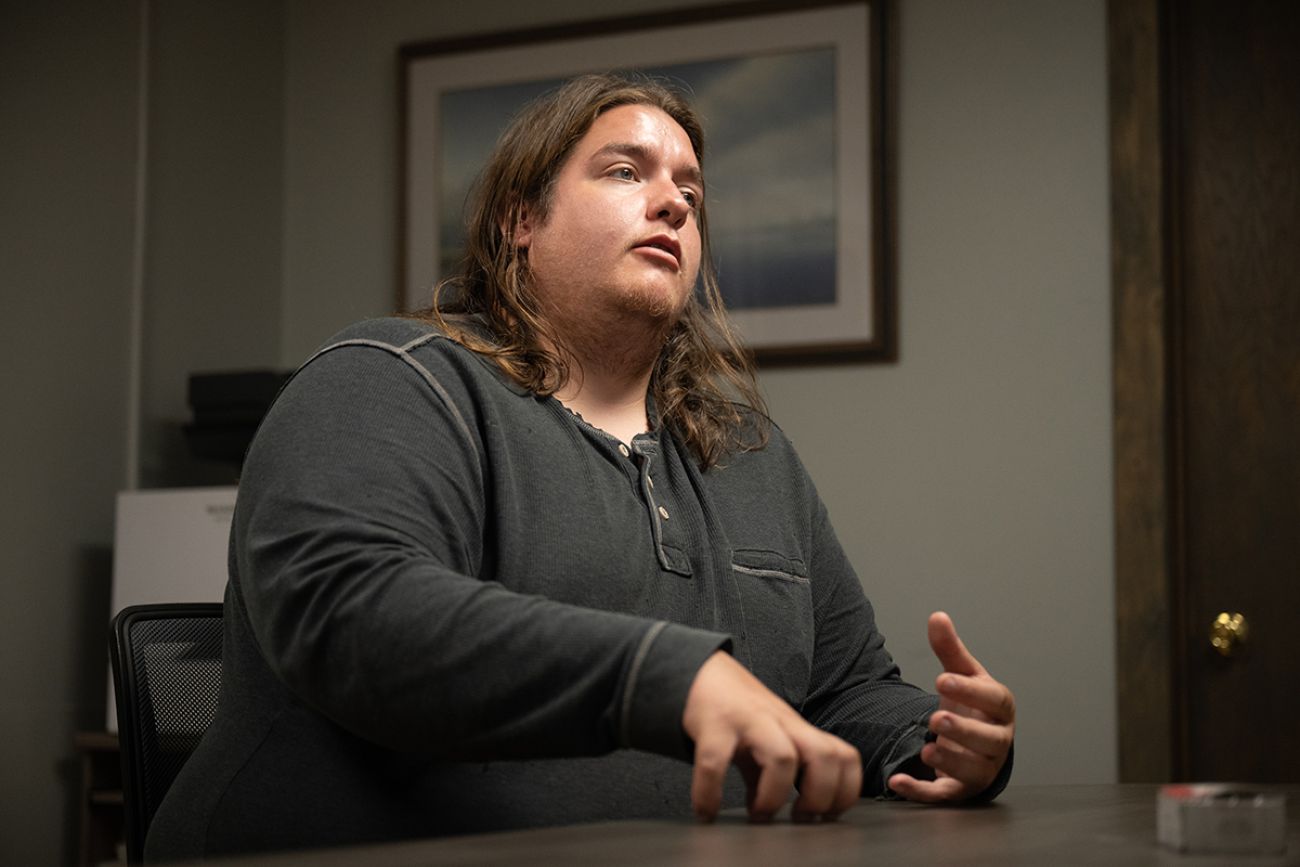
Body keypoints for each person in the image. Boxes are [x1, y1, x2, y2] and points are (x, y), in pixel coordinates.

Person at [146, 72, 1015, 861]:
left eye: (690, 190)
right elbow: (351, 609)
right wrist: (665, 674)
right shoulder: (390, 380)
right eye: (626, 172)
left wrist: (936, 740)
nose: (673, 203)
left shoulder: (748, 455)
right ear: (520, 221)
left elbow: (845, 689)